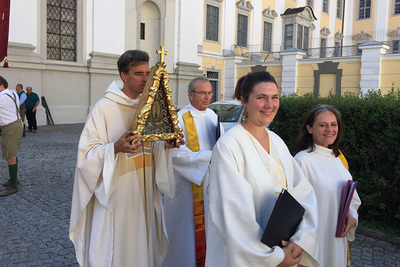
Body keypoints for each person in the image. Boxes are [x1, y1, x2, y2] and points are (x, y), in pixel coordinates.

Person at [69, 49, 184, 267]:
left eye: (147, 73)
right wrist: (114, 148)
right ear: (124, 75)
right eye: (139, 74)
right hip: (118, 190)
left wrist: (164, 145)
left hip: (145, 187)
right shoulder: (104, 107)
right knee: (121, 247)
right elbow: (86, 153)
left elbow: (150, 146)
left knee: (144, 242)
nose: (145, 79)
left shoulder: (148, 107)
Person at [205, 71, 319, 267]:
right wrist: (273, 258)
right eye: (261, 98)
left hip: (284, 246)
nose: (269, 105)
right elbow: (233, 214)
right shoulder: (229, 146)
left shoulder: (277, 142)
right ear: (244, 101)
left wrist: (300, 239)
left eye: (274, 98)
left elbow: (302, 193)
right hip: (247, 257)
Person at [163, 77, 223, 267]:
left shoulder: (213, 116)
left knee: (209, 230)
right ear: (190, 95)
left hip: (210, 185)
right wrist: (207, 158)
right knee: (186, 235)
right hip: (187, 188)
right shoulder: (179, 118)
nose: (207, 97)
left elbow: (221, 145)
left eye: (210, 93)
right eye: (203, 93)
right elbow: (173, 152)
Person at [294, 104, 361, 267]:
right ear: (309, 128)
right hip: (314, 244)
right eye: (322, 125)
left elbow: (351, 199)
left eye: (333, 124)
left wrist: (352, 217)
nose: (329, 129)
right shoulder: (302, 161)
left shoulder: (339, 159)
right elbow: (294, 209)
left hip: (337, 240)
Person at [0, 76, 23, 196]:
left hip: (10, 127)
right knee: (12, 153)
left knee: (9, 156)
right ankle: (13, 179)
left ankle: (13, 186)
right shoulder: (12, 93)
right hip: (16, 124)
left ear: (1, 86)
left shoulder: (2, 97)